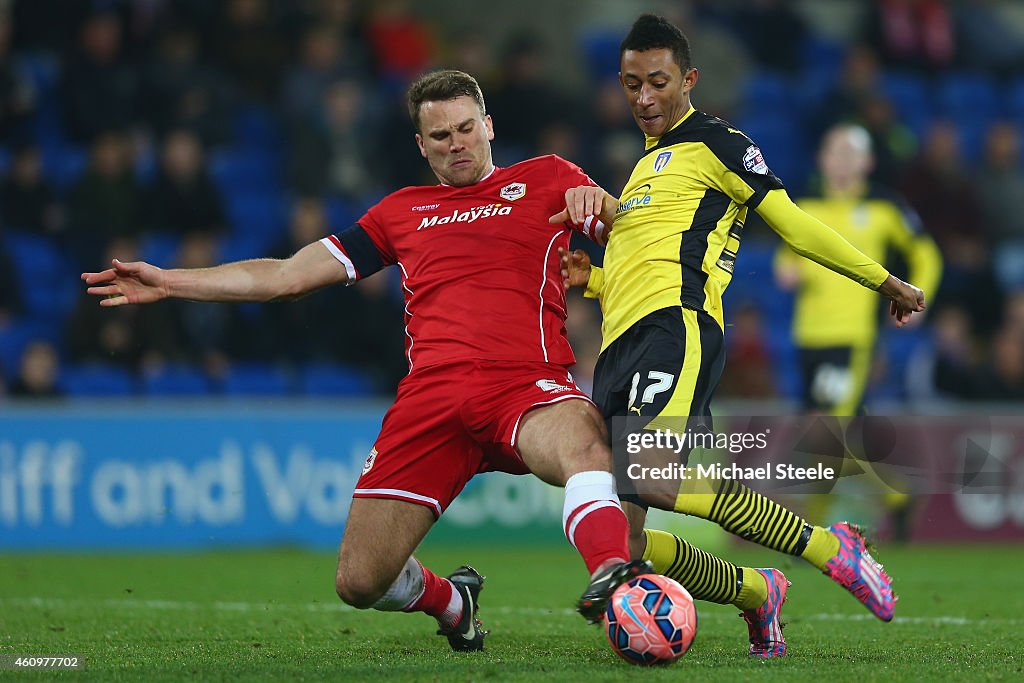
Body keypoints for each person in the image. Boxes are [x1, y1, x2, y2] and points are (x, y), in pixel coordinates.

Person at [82, 70, 646, 653]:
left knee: (588, 449)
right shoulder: (401, 212)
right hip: (431, 402)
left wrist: (605, 206)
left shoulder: (549, 178)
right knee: (358, 581)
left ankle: (616, 584)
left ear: (488, 127)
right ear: (420, 146)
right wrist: (170, 282)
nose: (457, 143)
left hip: (525, 386)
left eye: (465, 128)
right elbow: (285, 277)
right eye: (440, 135)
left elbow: (641, 239)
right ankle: (454, 603)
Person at [557, 15, 926, 657]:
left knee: (649, 479)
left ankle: (829, 545)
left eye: (658, 82)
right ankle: (759, 591)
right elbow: (640, 268)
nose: (643, 97)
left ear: (689, 80)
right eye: (631, 84)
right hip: (621, 346)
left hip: (677, 331)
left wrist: (884, 280)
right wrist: (595, 281)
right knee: (629, 537)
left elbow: (794, 224)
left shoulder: (719, 143)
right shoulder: (643, 171)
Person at [775, 123, 942, 416]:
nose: (842, 159)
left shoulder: (885, 206)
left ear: (868, 161)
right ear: (821, 159)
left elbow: (927, 254)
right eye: (835, 151)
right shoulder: (804, 205)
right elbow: (786, 255)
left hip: (853, 335)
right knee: (814, 423)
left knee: (830, 424)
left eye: (851, 152)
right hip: (806, 334)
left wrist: (918, 298)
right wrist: (787, 270)